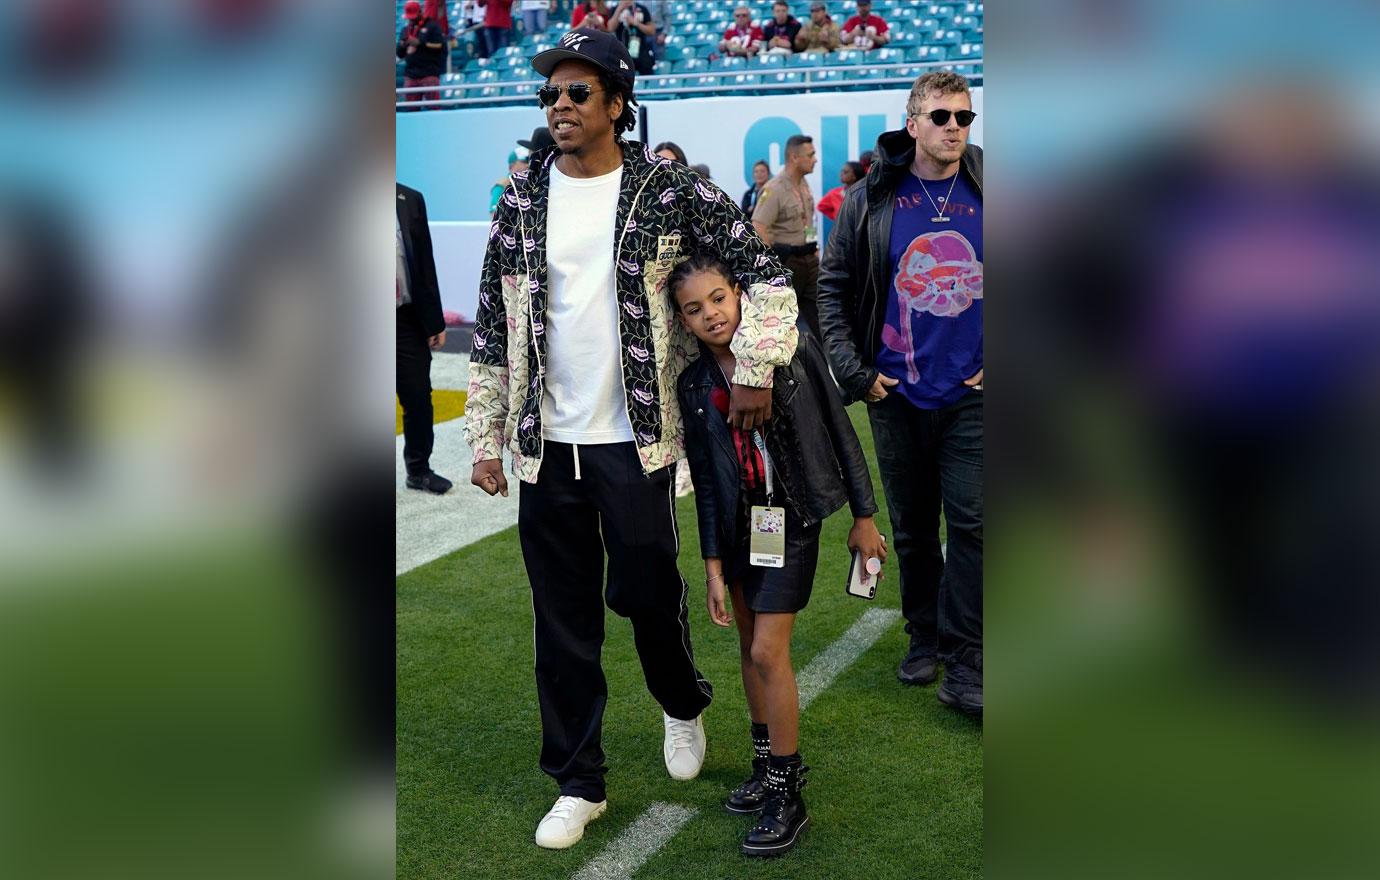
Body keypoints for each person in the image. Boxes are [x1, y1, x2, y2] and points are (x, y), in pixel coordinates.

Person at [465, 27, 800, 850]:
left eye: (579, 93)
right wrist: (484, 433)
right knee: (562, 622)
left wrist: (753, 363)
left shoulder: (671, 190)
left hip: (639, 444)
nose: (561, 106)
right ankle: (579, 782)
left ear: (618, 104)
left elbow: (764, 275)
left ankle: (681, 703)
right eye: (550, 94)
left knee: (650, 597)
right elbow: (488, 325)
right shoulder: (520, 199)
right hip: (548, 447)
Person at [671, 251, 884, 857]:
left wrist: (864, 519)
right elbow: (708, 485)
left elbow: (843, 435)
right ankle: (764, 767)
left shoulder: (791, 350)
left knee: (769, 650)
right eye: (694, 309)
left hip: (790, 520)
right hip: (740, 530)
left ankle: (788, 791)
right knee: (747, 647)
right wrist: (712, 566)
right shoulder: (695, 386)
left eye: (718, 298)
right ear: (683, 322)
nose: (711, 315)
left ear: (739, 294)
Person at [817, 71, 983, 716]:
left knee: (974, 524)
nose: (953, 129)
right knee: (913, 528)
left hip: (972, 394)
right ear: (912, 123)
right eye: (941, 117)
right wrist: (854, 371)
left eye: (964, 118)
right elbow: (833, 286)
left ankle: (969, 656)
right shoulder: (871, 197)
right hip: (896, 391)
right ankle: (925, 634)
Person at [396, 183, 452, 494]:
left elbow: (424, 263)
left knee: (418, 396)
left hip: (404, 317)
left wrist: (435, 320)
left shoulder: (410, 199)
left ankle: (419, 470)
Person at [753, 134, 820, 338]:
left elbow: (807, 219)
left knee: (822, 317)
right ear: (794, 157)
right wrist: (773, 263)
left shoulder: (803, 184)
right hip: (788, 262)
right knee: (782, 322)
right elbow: (758, 226)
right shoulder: (773, 189)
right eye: (810, 155)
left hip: (809, 260)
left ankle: (828, 366)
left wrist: (814, 248)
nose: (815, 159)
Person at [397, 1, 447, 107]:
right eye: (409, 17)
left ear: (421, 12)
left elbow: (440, 46)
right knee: (411, 109)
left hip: (429, 73)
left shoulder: (432, 26)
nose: (412, 19)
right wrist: (403, 45)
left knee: (434, 107)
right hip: (411, 75)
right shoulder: (405, 30)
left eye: (414, 16)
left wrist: (420, 43)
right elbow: (400, 54)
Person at [606, 0, 657, 75]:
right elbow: (610, 28)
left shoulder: (641, 8)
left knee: (647, 73)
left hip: (641, 50)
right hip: (622, 53)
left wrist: (635, 23)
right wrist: (619, 9)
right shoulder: (614, 9)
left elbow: (652, 31)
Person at [490, 147, 530, 216]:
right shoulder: (502, 186)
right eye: (524, 161)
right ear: (512, 166)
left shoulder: (534, 184)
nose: (528, 165)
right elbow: (495, 214)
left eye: (530, 161)